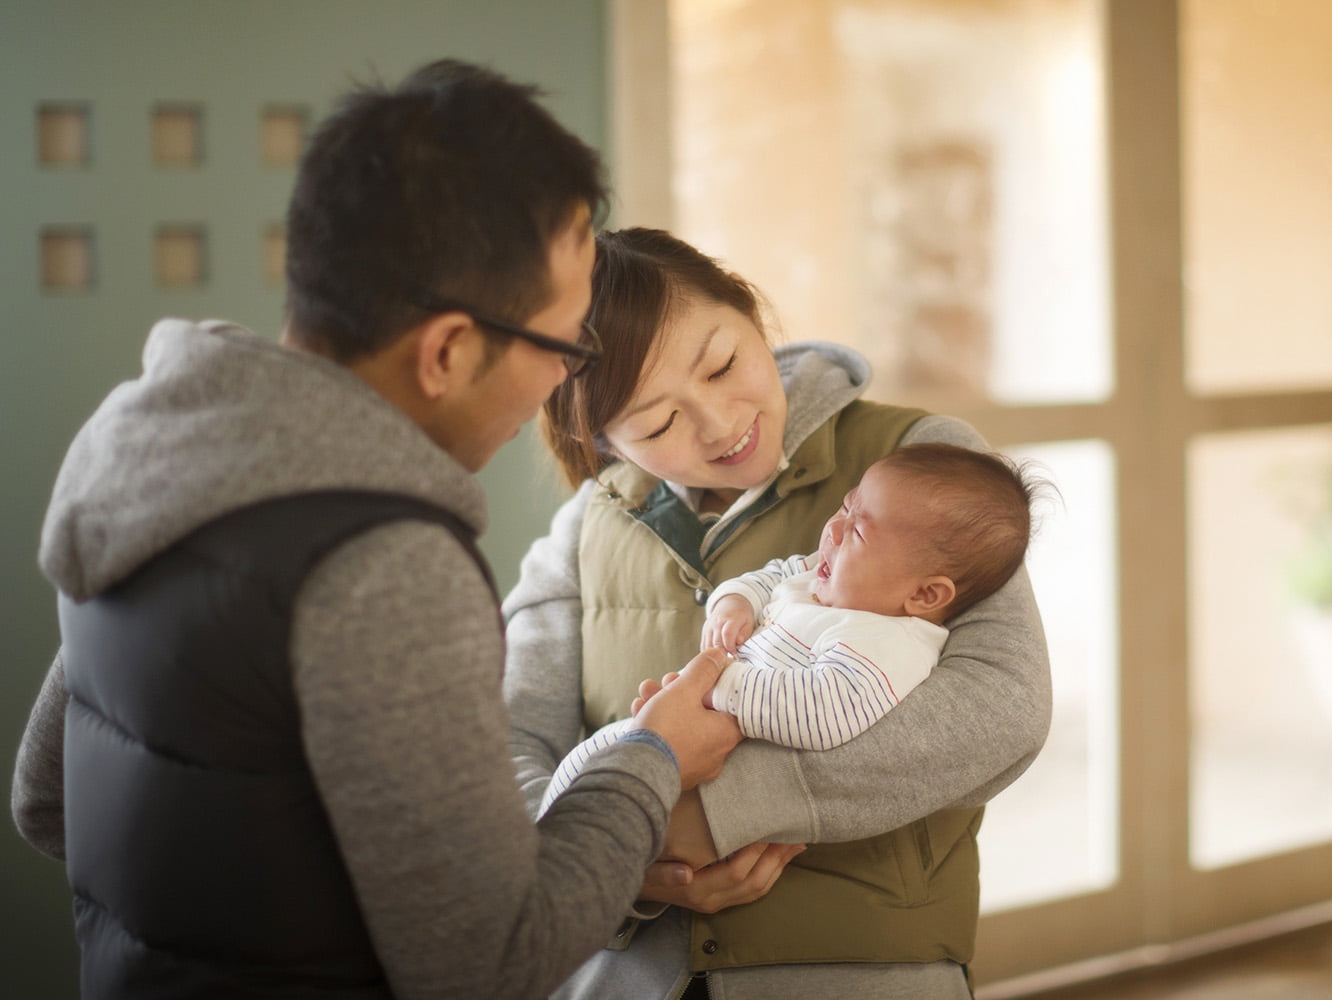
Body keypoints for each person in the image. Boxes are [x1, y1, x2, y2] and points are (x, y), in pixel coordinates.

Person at [9, 62, 745, 1000]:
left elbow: (48, 803)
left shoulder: (159, 464)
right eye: (565, 346)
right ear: (447, 351)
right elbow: (492, 962)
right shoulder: (383, 566)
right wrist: (651, 760)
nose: (564, 381)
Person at [503, 227, 1053, 1000]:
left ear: (749, 310)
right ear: (602, 438)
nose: (719, 423)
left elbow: (1003, 705)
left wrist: (706, 816)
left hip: (859, 972)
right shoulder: (584, 527)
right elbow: (507, 747)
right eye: (657, 424)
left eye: (722, 365)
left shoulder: (916, 463)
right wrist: (622, 864)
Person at [537, 442, 1045, 821]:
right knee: (582, 783)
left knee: (594, 797)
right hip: (685, 729)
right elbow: (774, 575)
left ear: (926, 595)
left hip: (715, 767)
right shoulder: (825, 578)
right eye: (845, 507)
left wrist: (712, 687)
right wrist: (736, 602)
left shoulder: (890, 643)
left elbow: (825, 711)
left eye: (858, 531)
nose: (833, 530)